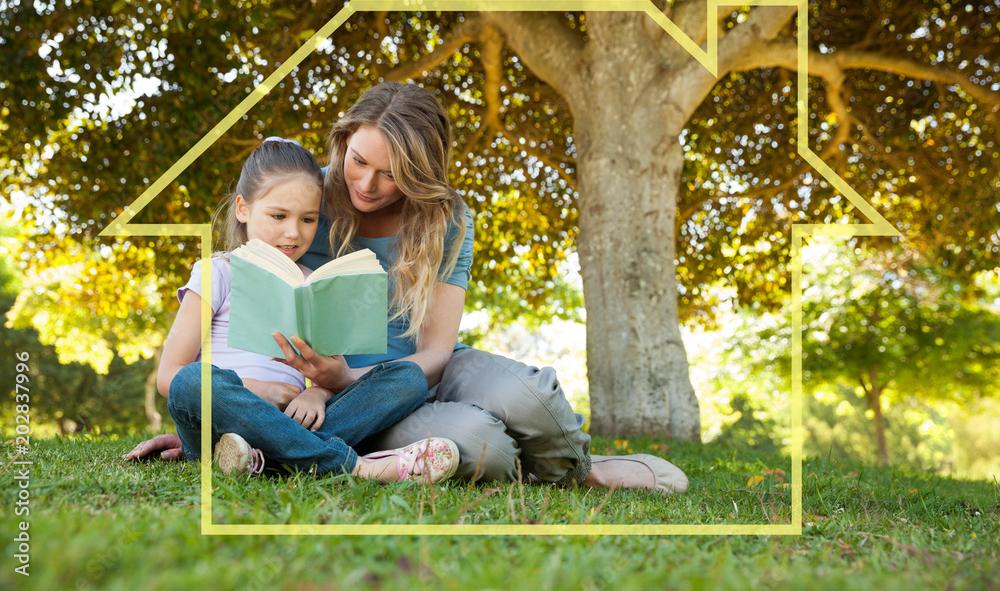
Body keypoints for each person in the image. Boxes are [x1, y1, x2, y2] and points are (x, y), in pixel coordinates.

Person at [275, 82, 688, 494]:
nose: (366, 184)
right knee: (483, 446)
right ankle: (511, 462)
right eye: (359, 161)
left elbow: (436, 352)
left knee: (530, 398)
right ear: (344, 140)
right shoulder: (304, 199)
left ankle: (580, 471)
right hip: (356, 404)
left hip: (429, 371)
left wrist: (352, 375)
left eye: (391, 174)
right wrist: (337, 383)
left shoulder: (445, 217)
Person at [124, 137, 460, 484]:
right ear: (243, 208)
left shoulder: (312, 284)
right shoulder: (217, 272)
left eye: (308, 219)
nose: (293, 232)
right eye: (278, 215)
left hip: (292, 420)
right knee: (192, 381)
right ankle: (356, 467)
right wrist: (258, 391)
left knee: (406, 378)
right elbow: (170, 376)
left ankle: (259, 459)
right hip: (216, 420)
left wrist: (317, 392)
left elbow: (330, 372)